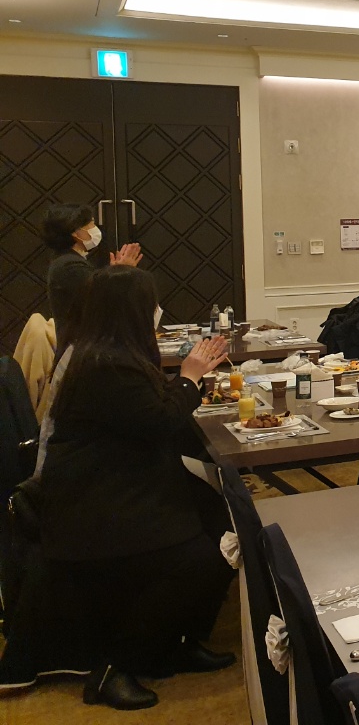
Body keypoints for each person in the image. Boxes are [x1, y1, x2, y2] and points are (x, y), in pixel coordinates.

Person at [39, 265, 234, 710]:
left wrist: (186, 381)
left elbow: (151, 410)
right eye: (151, 306)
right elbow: (160, 421)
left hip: (120, 480)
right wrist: (190, 377)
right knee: (201, 557)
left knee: (223, 523)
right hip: (95, 501)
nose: (156, 312)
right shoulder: (105, 365)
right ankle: (116, 667)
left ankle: (175, 642)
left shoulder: (109, 353)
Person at [42, 203, 142, 350]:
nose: (95, 229)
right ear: (76, 232)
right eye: (91, 224)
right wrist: (124, 273)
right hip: (82, 352)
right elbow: (103, 305)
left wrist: (115, 273)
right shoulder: (70, 266)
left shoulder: (67, 260)